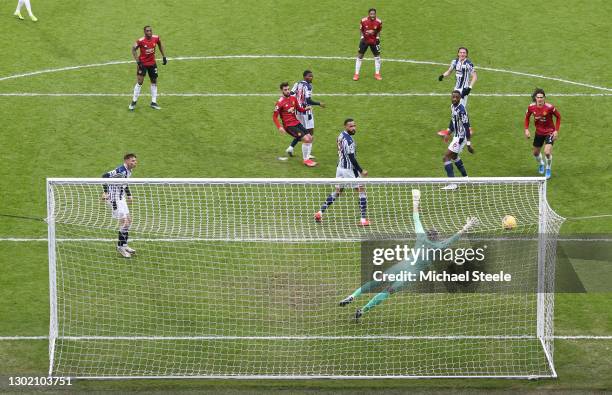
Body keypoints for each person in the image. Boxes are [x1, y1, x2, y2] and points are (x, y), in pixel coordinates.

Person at [339, 189, 479, 319]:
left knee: (376, 281)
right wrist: (466, 227)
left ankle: (352, 296)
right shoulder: (440, 246)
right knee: (388, 291)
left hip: (400, 267)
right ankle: (363, 310)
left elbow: (416, 218)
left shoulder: (421, 237)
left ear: (428, 234)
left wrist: (415, 200)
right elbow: (455, 237)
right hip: (410, 275)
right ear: (436, 237)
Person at [314, 118, 369, 226]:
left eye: (354, 125)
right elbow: (352, 158)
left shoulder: (340, 136)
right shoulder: (349, 141)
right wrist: (361, 170)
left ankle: (319, 213)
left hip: (340, 168)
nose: (353, 128)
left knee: (338, 192)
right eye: (351, 126)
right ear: (345, 127)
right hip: (349, 170)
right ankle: (363, 220)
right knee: (361, 190)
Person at [102, 154, 138, 258]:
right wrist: (105, 192)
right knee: (125, 222)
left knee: (129, 221)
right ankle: (120, 247)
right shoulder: (120, 170)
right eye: (132, 161)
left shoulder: (129, 171)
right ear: (126, 161)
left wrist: (129, 195)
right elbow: (104, 176)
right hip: (114, 199)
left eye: (135, 161)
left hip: (121, 198)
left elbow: (124, 183)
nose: (135, 163)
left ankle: (124, 245)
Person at [273, 82, 317, 167]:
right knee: (306, 139)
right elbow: (274, 117)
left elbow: (299, 109)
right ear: (282, 91)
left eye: (288, 89)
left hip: (296, 123)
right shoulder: (280, 102)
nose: (287, 91)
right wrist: (279, 127)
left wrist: (305, 109)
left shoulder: (293, 98)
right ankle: (306, 160)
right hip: (289, 126)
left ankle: (307, 158)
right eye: (285, 90)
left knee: (311, 138)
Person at [438, 47, 477, 138]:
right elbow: (449, 71)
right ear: (458, 53)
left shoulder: (469, 64)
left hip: (463, 90)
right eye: (461, 52)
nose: (462, 54)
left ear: (466, 54)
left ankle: (449, 131)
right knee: (460, 109)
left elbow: (475, 76)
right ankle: (469, 128)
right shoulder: (454, 62)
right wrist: (442, 75)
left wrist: (469, 88)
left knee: (456, 109)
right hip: (456, 89)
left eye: (464, 53)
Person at [524, 88, 561, 179]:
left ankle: (548, 168)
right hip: (539, 132)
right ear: (535, 98)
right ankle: (541, 163)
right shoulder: (531, 107)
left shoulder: (550, 107)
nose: (540, 99)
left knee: (547, 152)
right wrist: (526, 129)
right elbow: (527, 117)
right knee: (536, 153)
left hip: (550, 132)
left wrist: (556, 130)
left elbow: (559, 117)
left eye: (541, 97)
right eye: (538, 97)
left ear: (544, 98)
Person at [288, 70, 325, 159]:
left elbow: (291, 94)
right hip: (306, 112)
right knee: (309, 132)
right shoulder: (308, 86)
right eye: (309, 76)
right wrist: (319, 103)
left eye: (312, 76)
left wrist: (292, 105)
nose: (311, 78)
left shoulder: (297, 83)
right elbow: (308, 100)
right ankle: (307, 155)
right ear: (304, 76)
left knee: (301, 131)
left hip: (297, 111)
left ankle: (290, 148)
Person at [129, 26, 167, 111]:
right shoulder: (141, 41)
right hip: (143, 64)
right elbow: (133, 49)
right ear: (144, 32)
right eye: (147, 31)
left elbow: (160, 44)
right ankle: (133, 102)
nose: (149, 32)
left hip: (152, 64)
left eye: (150, 30)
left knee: (154, 81)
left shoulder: (156, 38)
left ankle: (153, 102)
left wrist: (164, 56)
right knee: (140, 82)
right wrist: (138, 61)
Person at [443, 90, 474, 182]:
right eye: (453, 97)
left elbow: (467, 128)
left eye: (457, 97)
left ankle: (452, 183)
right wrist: (448, 133)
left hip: (460, 138)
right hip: (456, 136)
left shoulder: (462, 111)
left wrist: (468, 144)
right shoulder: (453, 107)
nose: (455, 99)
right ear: (451, 97)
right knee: (454, 156)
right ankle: (466, 178)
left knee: (446, 157)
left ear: (460, 98)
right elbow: (453, 120)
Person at [353, 8, 382, 81]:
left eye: (374, 14)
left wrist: (378, 38)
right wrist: (362, 37)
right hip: (365, 40)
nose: (372, 15)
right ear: (368, 14)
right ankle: (356, 74)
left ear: (375, 14)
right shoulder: (363, 21)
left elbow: (378, 30)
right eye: (371, 14)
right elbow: (361, 29)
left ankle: (377, 74)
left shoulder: (379, 22)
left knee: (377, 56)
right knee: (360, 56)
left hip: (374, 41)